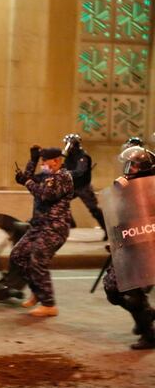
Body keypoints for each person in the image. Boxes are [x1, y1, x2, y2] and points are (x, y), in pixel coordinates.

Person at [10, 146, 74, 317]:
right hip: (39, 226)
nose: (43, 164)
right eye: (42, 161)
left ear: (56, 161)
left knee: (37, 259)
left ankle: (49, 304)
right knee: (18, 255)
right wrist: (32, 161)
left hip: (54, 227)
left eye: (44, 161)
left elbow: (47, 195)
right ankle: (38, 292)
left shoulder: (63, 177)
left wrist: (28, 182)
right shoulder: (47, 175)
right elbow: (29, 179)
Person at [102, 146, 155, 350]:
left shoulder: (151, 186)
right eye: (128, 164)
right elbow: (122, 218)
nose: (128, 169)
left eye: (133, 165)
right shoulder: (127, 187)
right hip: (130, 245)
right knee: (112, 289)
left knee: (133, 292)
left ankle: (148, 332)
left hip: (147, 249)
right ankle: (147, 316)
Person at [62, 133, 106, 240]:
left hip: (83, 186)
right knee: (60, 202)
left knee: (94, 209)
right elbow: (64, 166)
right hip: (72, 186)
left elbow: (80, 171)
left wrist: (66, 173)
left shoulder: (82, 156)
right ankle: (70, 223)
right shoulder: (69, 156)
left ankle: (107, 229)